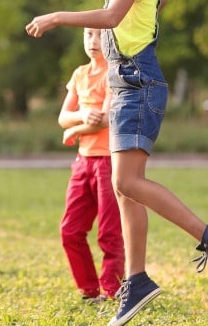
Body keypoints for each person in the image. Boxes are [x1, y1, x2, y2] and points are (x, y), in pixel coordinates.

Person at [26, 0, 208, 326]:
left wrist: (56, 16)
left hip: (136, 85)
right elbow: (139, 22)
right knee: (124, 188)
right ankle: (136, 280)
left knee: (126, 180)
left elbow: (111, 19)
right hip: (130, 84)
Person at [58, 27, 123, 303]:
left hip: (109, 162)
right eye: (88, 34)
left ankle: (113, 291)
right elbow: (63, 116)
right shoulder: (79, 74)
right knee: (70, 230)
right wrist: (81, 115)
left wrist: (74, 131)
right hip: (83, 163)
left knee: (109, 233)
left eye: (100, 35)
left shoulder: (114, 73)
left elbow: (106, 118)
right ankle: (89, 290)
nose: (93, 41)